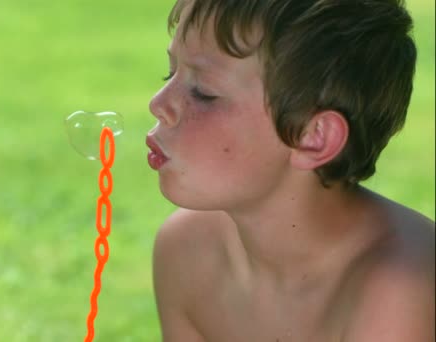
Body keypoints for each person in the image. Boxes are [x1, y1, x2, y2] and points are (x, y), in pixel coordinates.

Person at [145, 0, 435, 340]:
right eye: (171, 71)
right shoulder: (187, 249)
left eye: (204, 92)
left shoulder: (399, 292)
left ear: (313, 137)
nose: (158, 103)